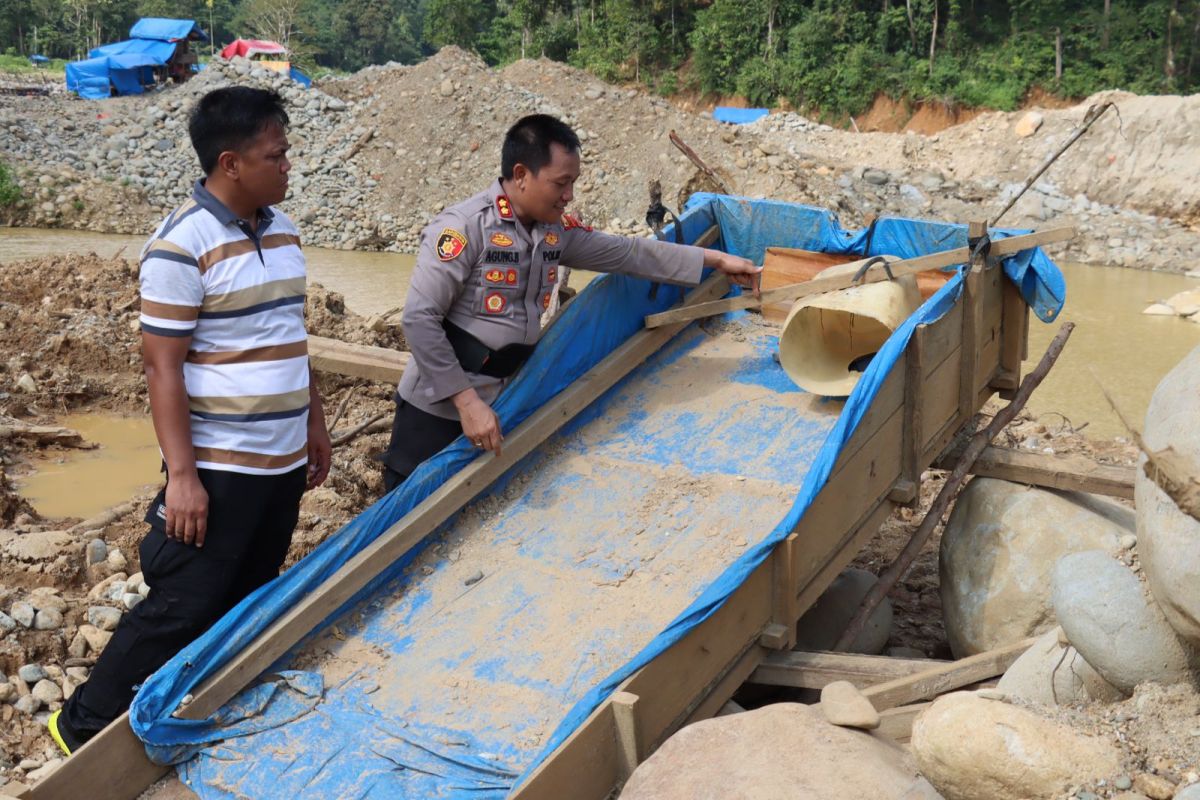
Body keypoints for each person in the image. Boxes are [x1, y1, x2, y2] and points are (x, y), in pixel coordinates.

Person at [49, 86, 332, 754]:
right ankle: (82, 723)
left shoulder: (284, 229)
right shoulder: (181, 244)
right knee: (184, 600)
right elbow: (161, 368)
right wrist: (183, 476)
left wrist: (313, 424)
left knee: (249, 592)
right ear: (230, 163)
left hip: (281, 460)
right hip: (220, 464)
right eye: (277, 154)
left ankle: (199, 696)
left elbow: (293, 336)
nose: (288, 165)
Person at [380, 114, 759, 491]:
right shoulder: (464, 229)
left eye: (573, 183)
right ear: (521, 174)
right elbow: (418, 319)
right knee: (403, 509)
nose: (569, 196)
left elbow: (630, 253)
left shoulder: (554, 232)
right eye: (561, 183)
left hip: (504, 400)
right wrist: (465, 403)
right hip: (438, 408)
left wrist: (717, 261)